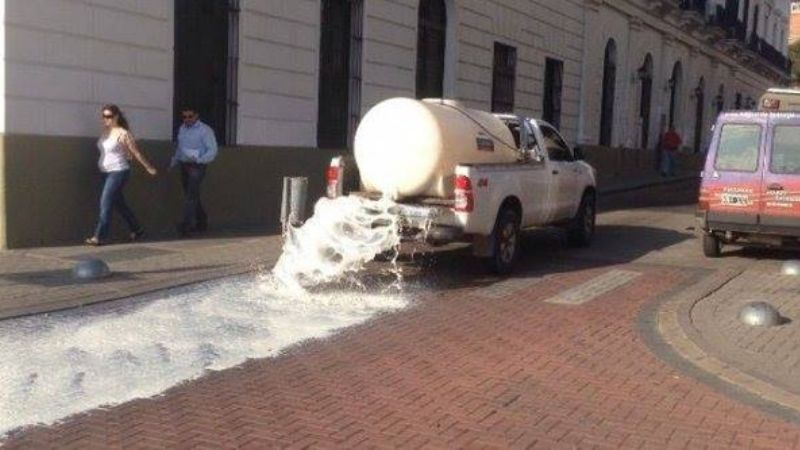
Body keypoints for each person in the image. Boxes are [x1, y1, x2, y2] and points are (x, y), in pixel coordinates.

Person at [86, 104, 158, 246]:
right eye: (103, 116)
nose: (105, 119)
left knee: (105, 202)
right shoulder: (105, 132)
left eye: (109, 116)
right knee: (119, 204)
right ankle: (137, 229)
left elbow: (135, 152)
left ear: (116, 117)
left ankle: (99, 237)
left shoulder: (123, 133)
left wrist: (148, 167)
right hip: (105, 172)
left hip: (118, 171)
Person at [171, 107, 218, 236]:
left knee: (191, 195)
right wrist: (175, 160)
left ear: (196, 116)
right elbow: (180, 147)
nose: (187, 119)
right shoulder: (182, 129)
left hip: (197, 166)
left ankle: (186, 225)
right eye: (184, 117)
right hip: (184, 164)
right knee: (191, 195)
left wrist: (201, 160)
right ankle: (202, 220)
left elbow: (212, 150)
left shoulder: (205, 130)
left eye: (190, 116)